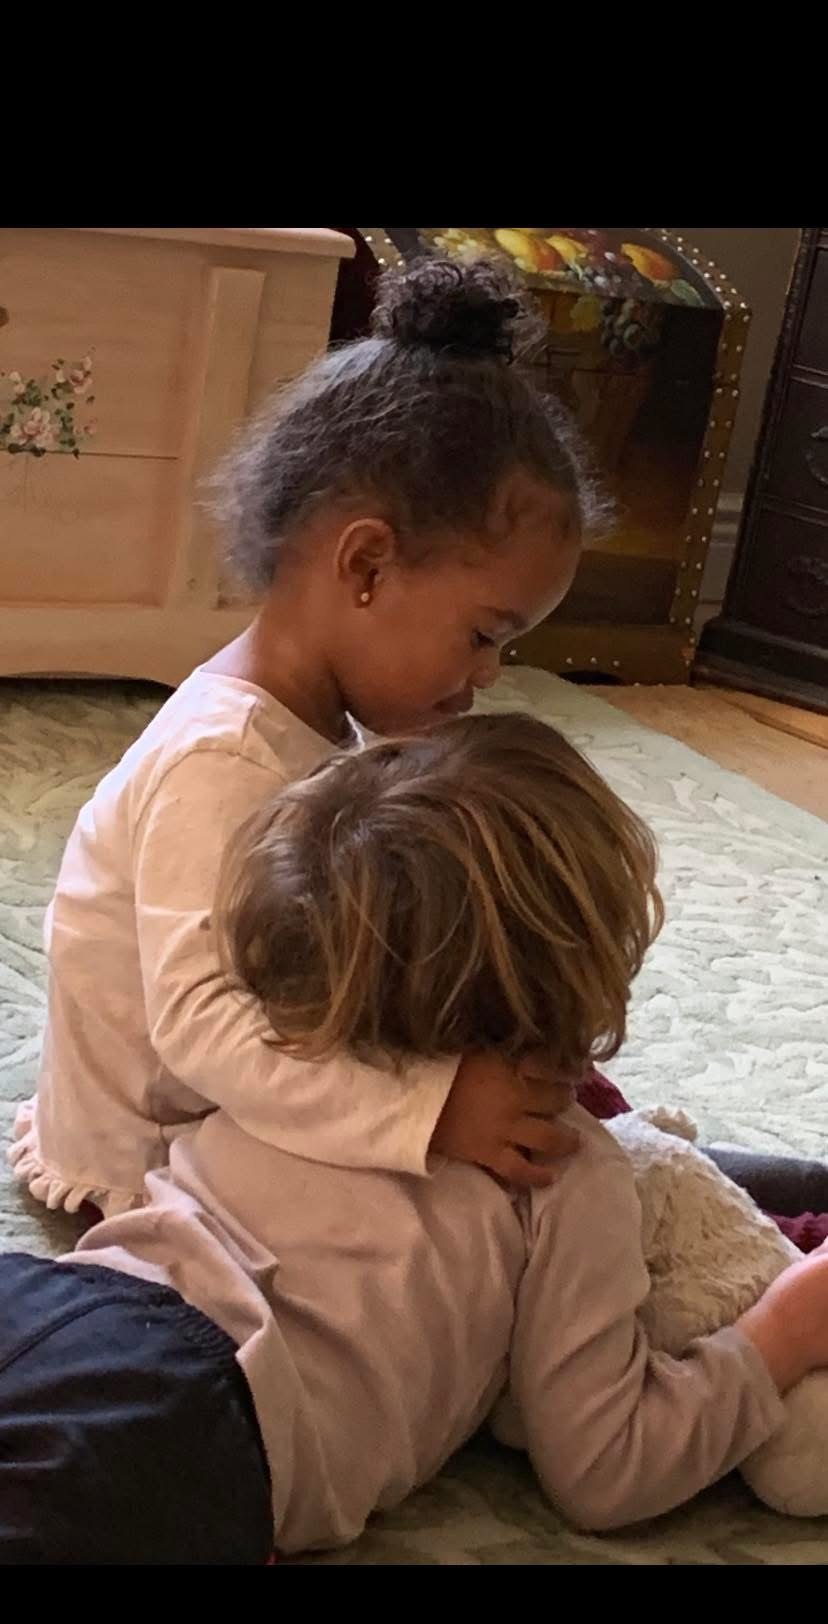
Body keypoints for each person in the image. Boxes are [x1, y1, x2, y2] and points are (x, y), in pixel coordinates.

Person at [9, 253, 826, 1228]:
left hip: (261, 1110)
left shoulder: (307, 723)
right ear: (366, 565)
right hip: (169, 1168)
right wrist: (432, 1110)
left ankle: (727, 1194)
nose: (487, 675)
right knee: (518, 1217)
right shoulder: (220, 762)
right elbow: (204, 1036)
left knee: (564, 1146)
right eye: (484, 635)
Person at [3, 713, 827, 1564]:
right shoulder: (562, 1173)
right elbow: (606, 1470)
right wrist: (783, 1332)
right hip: (200, 1407)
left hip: (60, 1295)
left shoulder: (294, 1053)